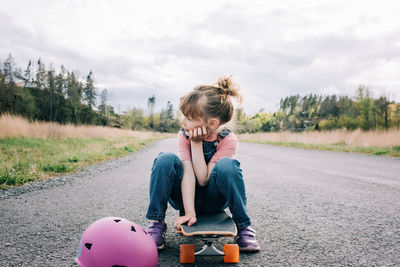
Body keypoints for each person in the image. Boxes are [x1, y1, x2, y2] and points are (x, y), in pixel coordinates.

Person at [145, 75, 260, 252]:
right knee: (165, 159)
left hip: (214, 198)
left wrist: (196, 144)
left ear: (212, 123)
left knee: (228, 166)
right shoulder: (184, 134)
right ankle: (157, 223)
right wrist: (189, 212)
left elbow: (203, 180)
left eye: (189, 118)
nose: (182, 122)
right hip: (185, 197)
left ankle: (244, 227)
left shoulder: (227, 140)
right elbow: (189, 175)